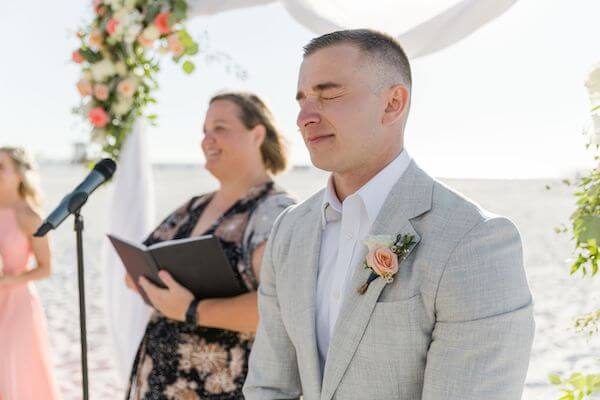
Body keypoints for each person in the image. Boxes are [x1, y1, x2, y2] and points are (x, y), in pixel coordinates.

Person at [244, 29, 535, 400]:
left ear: (392, 103)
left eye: (328, 94)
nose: (304, 117)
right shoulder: (290, 230)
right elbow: (269, 385)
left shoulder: (474, 241)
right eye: (302, 100)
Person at [125, 92, 296, 399]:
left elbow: (278, 309)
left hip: (223, 388)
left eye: (220, 128)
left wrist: (191, 310)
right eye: (204, 131)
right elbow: (136, 266)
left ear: (257, 134)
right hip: (159, 382)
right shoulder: (193, 206)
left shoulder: (273, 211)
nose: (207, 139)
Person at [0, 146, 60, 400]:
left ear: (20, 174)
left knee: (11, 368)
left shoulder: (30, 216)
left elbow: (46, 268)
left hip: (17, 303)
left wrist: (11, 280)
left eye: (1, 167)